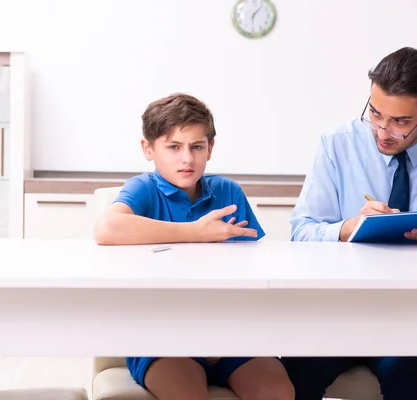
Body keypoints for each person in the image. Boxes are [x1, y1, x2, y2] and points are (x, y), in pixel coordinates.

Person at [282, 47, 417, 399]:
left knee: (411, 373)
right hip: (340, 311)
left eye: (400, 122)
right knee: (295, 370)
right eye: (375, 113)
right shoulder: (336, 145)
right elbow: (301, 232)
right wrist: (346, 227)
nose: (382, 131)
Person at [94, 93, 294, 400]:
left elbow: (253, 268)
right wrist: (195, 232)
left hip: (229, 335)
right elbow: (106, 228)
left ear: (210, 149)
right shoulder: (144, 189)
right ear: (148, 149)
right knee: (187, 394)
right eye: (173, 147)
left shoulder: (228, 192)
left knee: (278, 391)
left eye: (196, 147)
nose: (187, 159)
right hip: (163, 340)